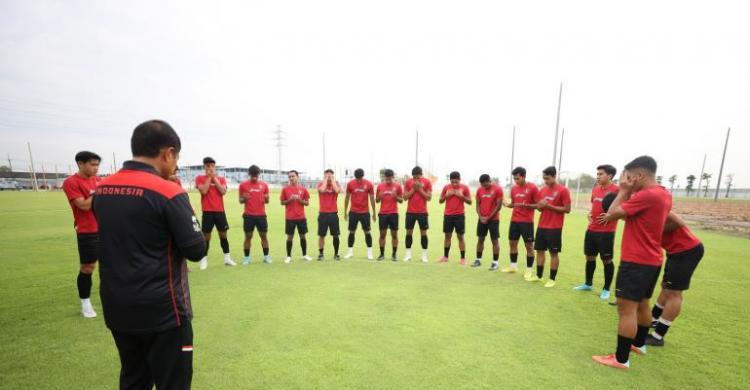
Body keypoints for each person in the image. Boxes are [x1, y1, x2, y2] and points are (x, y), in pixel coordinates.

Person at [93, 120, 206, 389]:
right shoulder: (168, 191)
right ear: (167, 153)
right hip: (163, 311)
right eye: (176, 157)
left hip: (118, 306)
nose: (175, 164)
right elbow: (196, 249)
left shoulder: (103, 189)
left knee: (134, 378)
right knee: (173, 382)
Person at [592, 155, 672, 370]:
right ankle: (639, 345)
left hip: (636, 261)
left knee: (626, 310)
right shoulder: (663, 193)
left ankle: (620, 359)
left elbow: (610, 214)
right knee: (643, 304)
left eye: (627, 176)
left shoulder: (646, 195)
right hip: (652, 259)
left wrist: (624, 191)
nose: (623, 180)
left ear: (639, 175)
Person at [644, 212, 704, 347]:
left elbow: (680, 222)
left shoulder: (657, 202)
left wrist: (656, 229)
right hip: (674, 252)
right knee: (665, 286)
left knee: (673, 293)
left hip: (686, 251)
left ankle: (658, 336)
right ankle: (653, 320)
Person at [62, 151, 102, 318]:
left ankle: (117, 299)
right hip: (87, 231)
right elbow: (84, 206)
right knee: (88, 267)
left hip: (107, 229)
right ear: (80, 163)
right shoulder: (71, 182)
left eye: (97, 164)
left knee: (115, 264)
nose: (96, 168)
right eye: (92, 164)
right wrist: (100, 191)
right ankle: (85, 304)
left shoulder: (99, 180)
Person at [574, 164, 619, 300]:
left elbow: (624, 210)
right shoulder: (596, 189)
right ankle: (588, 284)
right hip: (591, 229)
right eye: (597, 174)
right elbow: (594, 205)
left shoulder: (618, 191)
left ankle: (606, 289)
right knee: (590, 257)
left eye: (601, 174)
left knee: (606, 260)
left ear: (610, 176)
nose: (598, 176)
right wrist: (589, 213)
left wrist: (611, 216)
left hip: (606, 232)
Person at [528, 166, 571, 287]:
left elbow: (567, 209)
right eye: (544, 178)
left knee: (553, 253)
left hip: (555, 227)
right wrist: (539, 206)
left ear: (554, 176)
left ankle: (552, 279)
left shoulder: (563, 190)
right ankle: (539, 276)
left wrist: (549, 206)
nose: (545, 181)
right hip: (542, 226)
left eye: (547, 178)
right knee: (540, 251)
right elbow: (540, 208)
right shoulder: (542, 190)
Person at [195, 157, 235, 269]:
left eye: (212, 166)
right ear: (204, 167)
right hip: (207, 212)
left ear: (215, 166)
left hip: (220, 211)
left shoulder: (221, 179)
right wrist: (209, 178)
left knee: (223, 236)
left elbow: (223, 191)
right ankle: (204, 260)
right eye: (208, 166)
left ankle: (227, 259)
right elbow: (204, 190)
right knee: (206, 237)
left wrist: (214, 178)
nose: (210, 168)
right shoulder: (199, 178)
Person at [504, 167, 538, 276]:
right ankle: (513, 267)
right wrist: (506, 204)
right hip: (514, 221)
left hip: (527, 222)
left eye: (518, 178)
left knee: (529, 246)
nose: (516, 181)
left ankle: (528, 270)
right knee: (512, 244)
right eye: (514, 178)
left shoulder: (532, 187)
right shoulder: (514, 188)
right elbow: (514, 204)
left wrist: (527, 205)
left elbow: (538, 205)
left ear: (523, 176)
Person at [238, 165, 271, 265]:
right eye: (252, 175)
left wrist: (266, 198)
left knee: (263, 236)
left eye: (256, 175)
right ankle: (246, 258)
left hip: (261, 215)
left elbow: (267, 200)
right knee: (248, 236)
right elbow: (240, 200)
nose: (254, 177)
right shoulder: (243, 185)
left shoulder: (264, 185)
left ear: (258, 174)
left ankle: (266, 257)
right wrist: (244, 198)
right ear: (249, 174)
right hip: (248, 215)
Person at [437, 171, 472, 264]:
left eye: (456, 182)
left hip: (459, 215)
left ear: (460, 180)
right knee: (447, 236)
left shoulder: (465, 188)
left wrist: (462, 196)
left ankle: (463, 258)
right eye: (452, 182)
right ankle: (445, 257)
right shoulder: (446, 187)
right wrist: (446, 196)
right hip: (448, 215)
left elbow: (470, 201)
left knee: (460, 236)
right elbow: (440, 200)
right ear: (450, 180)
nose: (454, 184)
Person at [471, 174, 504, 270]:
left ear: (489, 181)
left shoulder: (497, 189)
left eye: (485, 184)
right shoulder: (479, 190)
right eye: (482, 185)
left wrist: (488, 217)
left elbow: (499, 206)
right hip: (482, 219)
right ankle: (478, 260)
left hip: (493, 219)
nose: (484, 187)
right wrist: (480, 216)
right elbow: (477, 204)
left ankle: (495, 263)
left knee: (494, 241)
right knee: (480, 239)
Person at [343, 168, 377, 260]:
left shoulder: (369, 184)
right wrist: (345, 212)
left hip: (365, 213)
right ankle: (350, 252)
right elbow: (347, 198)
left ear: (363, 176)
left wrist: (374, 213)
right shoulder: (350, 184)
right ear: (355, 177)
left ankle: (369, 253)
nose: (358, 180)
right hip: (353, 212)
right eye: (357, 179)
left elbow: (372, 199)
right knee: (351, 232)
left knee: (367, 232)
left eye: (360, 179)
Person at [280, 170, 312, 263]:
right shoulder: (285, 189)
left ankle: (305, 255)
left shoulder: (303, 189)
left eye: (293, 176)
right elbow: (282, 202)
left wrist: (299, 200)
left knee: (303, 236)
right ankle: (288, 256)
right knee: (290, 237)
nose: (291, 178)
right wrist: (290, 199)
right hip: (290, 218)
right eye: (289, 177)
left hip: (301, 217)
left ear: (297, 177)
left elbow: (307, 203)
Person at [403, 166, 432, 262]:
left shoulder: (427, 182)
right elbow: (405, 197)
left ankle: (424, 256)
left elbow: (428, 198)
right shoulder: (408, 182)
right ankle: (408, 255)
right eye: (414, 177)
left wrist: (419, 189)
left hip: (422, 212)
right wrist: (413, 189)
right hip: (410, 212)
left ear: (421, 175)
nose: (416, 179)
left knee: (423, 233)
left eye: (418, 177)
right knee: (408, 233)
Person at [376, 169, 404, 261]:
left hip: (393, 213)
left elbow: (401, 200)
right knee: (382, 234)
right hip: (383, 214)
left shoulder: (398, 186)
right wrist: (380, 196)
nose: (388, 180)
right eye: (386, 178)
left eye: (389, 178)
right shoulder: (380, 186)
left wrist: (396, 196)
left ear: (393, 177)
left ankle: (394, 255)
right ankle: (382, 254)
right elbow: (377, 200)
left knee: (394, 234)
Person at [317, 169, 342, 261]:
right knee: (322, 235)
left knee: (335, 235)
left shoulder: (336, 184)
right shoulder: (321, 184)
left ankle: (336, 254)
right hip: (323, 213)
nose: (328, 178)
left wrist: (333, 180)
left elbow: (337, 191)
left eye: (330, 176)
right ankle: (321, 253)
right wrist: (325, 180)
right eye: (326, 176)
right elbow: (322, 190)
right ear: (323, 176)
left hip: (333, 214)